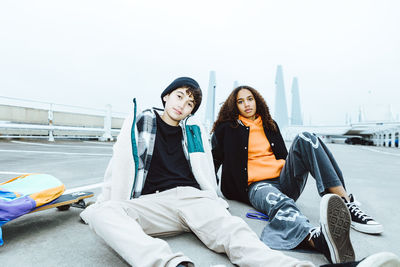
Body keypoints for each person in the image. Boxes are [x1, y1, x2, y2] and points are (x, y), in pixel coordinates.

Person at [80, 78, 393, 267]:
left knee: (237, 236)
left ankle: (323, 241)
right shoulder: (141, 122)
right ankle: (169, 264)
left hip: (194, 198)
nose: (184, 105)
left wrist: (217, 200)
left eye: (190, 103)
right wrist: (106, 199)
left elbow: (208, 171)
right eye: (180, 96)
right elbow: (120, 164)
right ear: (166, 96)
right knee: (101, 213)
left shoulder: (196, 133)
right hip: (156, 203)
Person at [211, 85, 384, 264]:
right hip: (257, 186)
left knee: (306, 137)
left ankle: (345, 203)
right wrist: (210, 193)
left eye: (250, 99)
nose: (246, 104)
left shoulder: (269, 124)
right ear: (234, 106)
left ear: (257, 100)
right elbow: (214, 160)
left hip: (284, 181)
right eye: (240, 101)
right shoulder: (226, 128)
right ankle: (317, 240)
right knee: (282, 204)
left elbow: (286, 156)